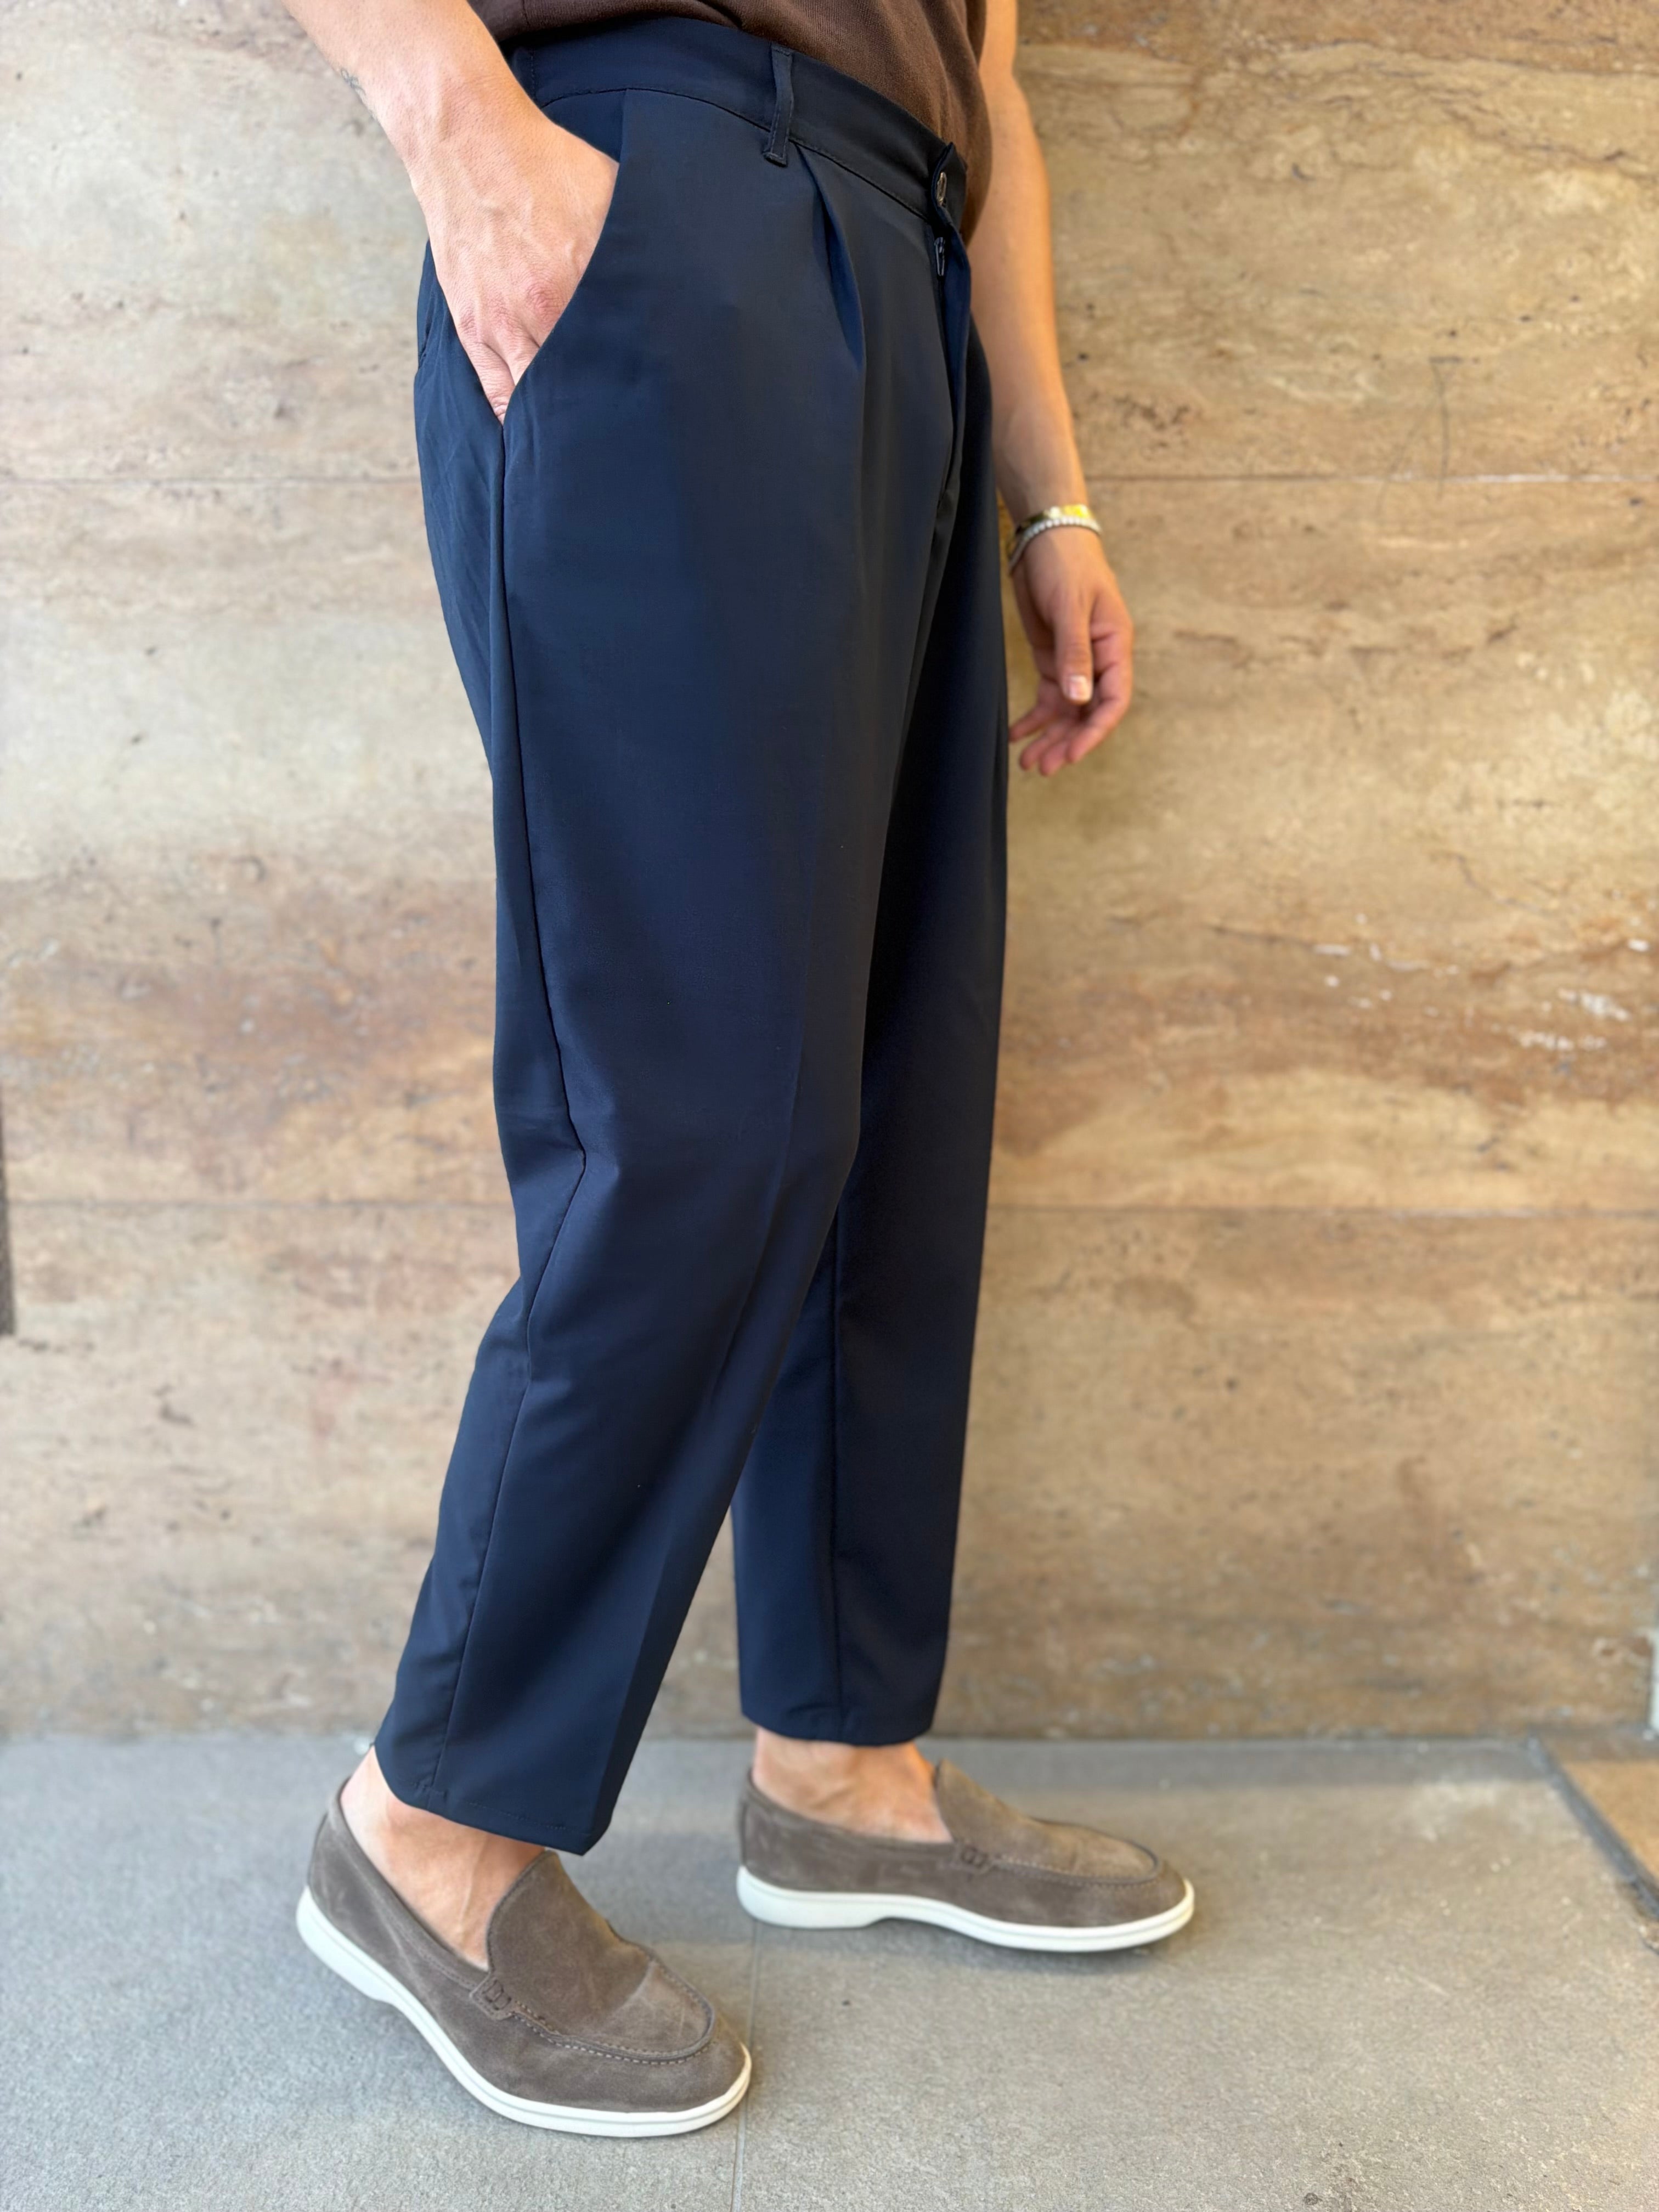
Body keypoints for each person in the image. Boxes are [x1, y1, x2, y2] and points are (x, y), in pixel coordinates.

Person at [280, 0, 1192, 2137]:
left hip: (904, 257)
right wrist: (457, 123)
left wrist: (1051, 490)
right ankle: (437, 1824)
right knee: (701, 1111)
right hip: (653, 186)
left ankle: (843, 1763)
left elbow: (993, 76)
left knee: (886, 1089)